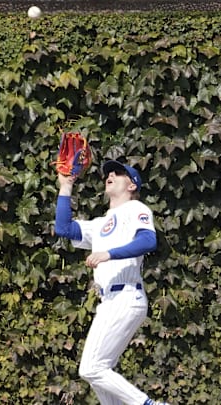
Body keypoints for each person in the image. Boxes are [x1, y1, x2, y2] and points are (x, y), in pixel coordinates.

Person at [54, 159, 168, 405]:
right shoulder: (101, 223)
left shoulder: (136, 208)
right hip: (110, 301)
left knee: (90, 369)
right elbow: (63, 228)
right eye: (109, 172)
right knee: (99, 372)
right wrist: (66, 186)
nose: (111, 175)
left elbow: (148, 241)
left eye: (119, 173)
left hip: (126, 296)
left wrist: (108, 254)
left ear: (131, 185)